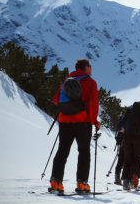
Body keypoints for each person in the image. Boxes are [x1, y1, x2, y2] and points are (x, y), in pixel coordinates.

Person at [49, 59, 100, 194]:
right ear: (86, 68)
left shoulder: (67, 80)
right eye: (90, 66)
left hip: (65, 121)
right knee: (84, 152)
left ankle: (56, 182)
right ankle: (82, 184)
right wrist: (94, 121)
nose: (91, 68)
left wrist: (67, 109)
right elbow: (93, 104)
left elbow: (55, 99)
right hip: (83, 123)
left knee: (62, 151)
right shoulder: (90, 82)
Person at [116, 102, 140, 190]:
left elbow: (121, 123)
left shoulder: (129, 110)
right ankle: (134, 178)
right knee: (138, 158)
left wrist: (121, 129)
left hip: (128, 137)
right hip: (139, 137)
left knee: (127, 158)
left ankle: (126, 182)